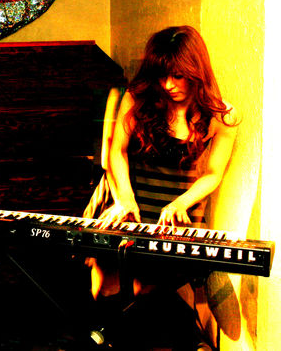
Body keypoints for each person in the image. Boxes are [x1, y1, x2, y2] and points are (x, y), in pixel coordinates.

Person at [88, 25, 238, 349]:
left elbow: (214, 173)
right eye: (162, 76)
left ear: (196, 71)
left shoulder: (221, 116)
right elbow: (117, 151)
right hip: (130, 204)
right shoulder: (139, 99)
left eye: (178, 76)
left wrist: (182, 202)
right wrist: (124, 199)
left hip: (176, 214)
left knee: (151, 289)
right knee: (108, 287)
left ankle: (182, 334)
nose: (168, 85)